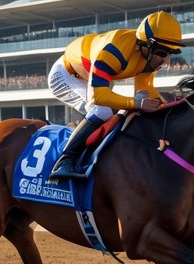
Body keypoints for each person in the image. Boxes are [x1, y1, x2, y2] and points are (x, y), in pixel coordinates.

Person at [46, 10, 183, 181]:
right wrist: (137, 103)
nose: (166, 61)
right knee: (102, 111)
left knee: (132, 109)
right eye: (162, 53)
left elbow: (145, 91)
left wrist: (168, 104)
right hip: (66, 75)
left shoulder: (149, 57)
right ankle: (64, 161)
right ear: (146, 45)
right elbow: (98, 96)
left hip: (92, 76)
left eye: (172, 53)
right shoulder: (114, 50)